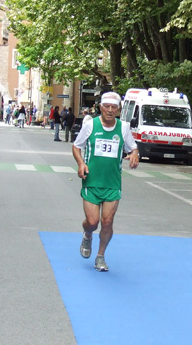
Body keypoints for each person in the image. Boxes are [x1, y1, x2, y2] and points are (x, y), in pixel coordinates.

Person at [72, 91, 139, 272]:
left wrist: (134, 154)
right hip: (92, 181)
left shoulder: (123, 127)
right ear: (100, 107)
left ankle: (100, 256)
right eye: (107, 106)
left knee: (107, 221)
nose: (110, 110)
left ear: (118, 109)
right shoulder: (90, 125)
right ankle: (87, 234)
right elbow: (77, 146)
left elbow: (133, 147)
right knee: (93, 222)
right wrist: (81, 164)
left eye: (114, 107)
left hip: (112, 183)